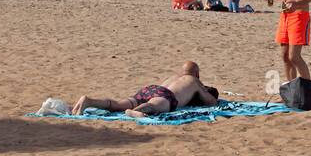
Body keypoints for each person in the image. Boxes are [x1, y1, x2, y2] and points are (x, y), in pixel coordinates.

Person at [69, 61, 220, 119]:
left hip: (152, 88)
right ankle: (134, 111)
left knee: (118, 104)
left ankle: (89, 101)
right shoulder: (193, 80)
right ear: (197, 74)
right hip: (167, 95)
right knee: (154, 106)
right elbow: (211, 102)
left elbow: (158, 91)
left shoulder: (173, 77)